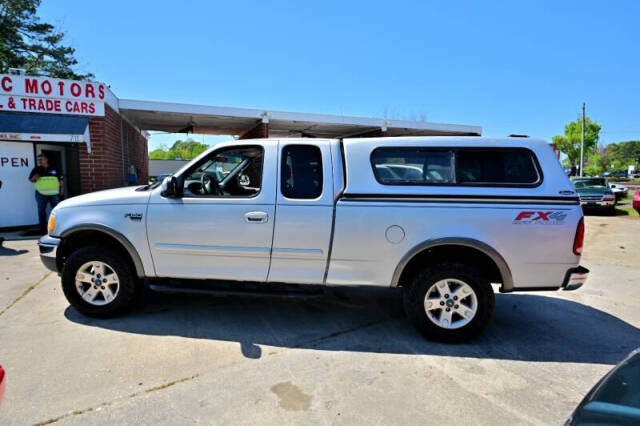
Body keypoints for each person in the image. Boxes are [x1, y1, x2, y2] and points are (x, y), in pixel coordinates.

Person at [29, 154, 63, 234]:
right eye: (38, 160)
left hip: (54, 194)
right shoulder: (36, 170)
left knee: (56, 211)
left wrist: (62, 190)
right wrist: (34, 178)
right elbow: (31, 180)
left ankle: (57, 227)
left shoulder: (54, 168)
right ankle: (43, 230)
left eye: (41, 159)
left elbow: (60, 180)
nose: (40, 161)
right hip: (41, 194)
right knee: (41, 212)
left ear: (46, 159)